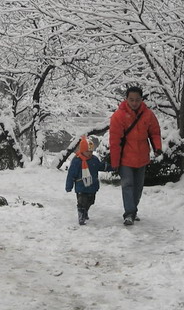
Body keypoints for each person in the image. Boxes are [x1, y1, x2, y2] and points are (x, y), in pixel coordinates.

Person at [109, 86, 162, 226]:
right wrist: (115, 162)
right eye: (131, 100)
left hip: (142, 158)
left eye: (137, 100)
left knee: (138, 187)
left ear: (142, 100)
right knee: (127, 185)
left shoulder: (148, 115)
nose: (134, 103)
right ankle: (129, 214)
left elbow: (155, 132)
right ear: (126, 99)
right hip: (125, 159)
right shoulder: (118, 116)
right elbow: (114, 142)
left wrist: (157, 147)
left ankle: (133, 210)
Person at [65, 135, 113, 226]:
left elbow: (101, 166)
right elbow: (71, 174)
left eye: (91, 151)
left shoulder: (94, 160)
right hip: (81, 187)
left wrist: (112, 167)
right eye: (87, 151)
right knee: (82, 202)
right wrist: (69, 186)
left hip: (92, 186)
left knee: (91, 201)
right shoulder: (77, 161)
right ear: (82, 150)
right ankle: (81, 215)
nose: (90, 153)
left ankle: (85, 211)